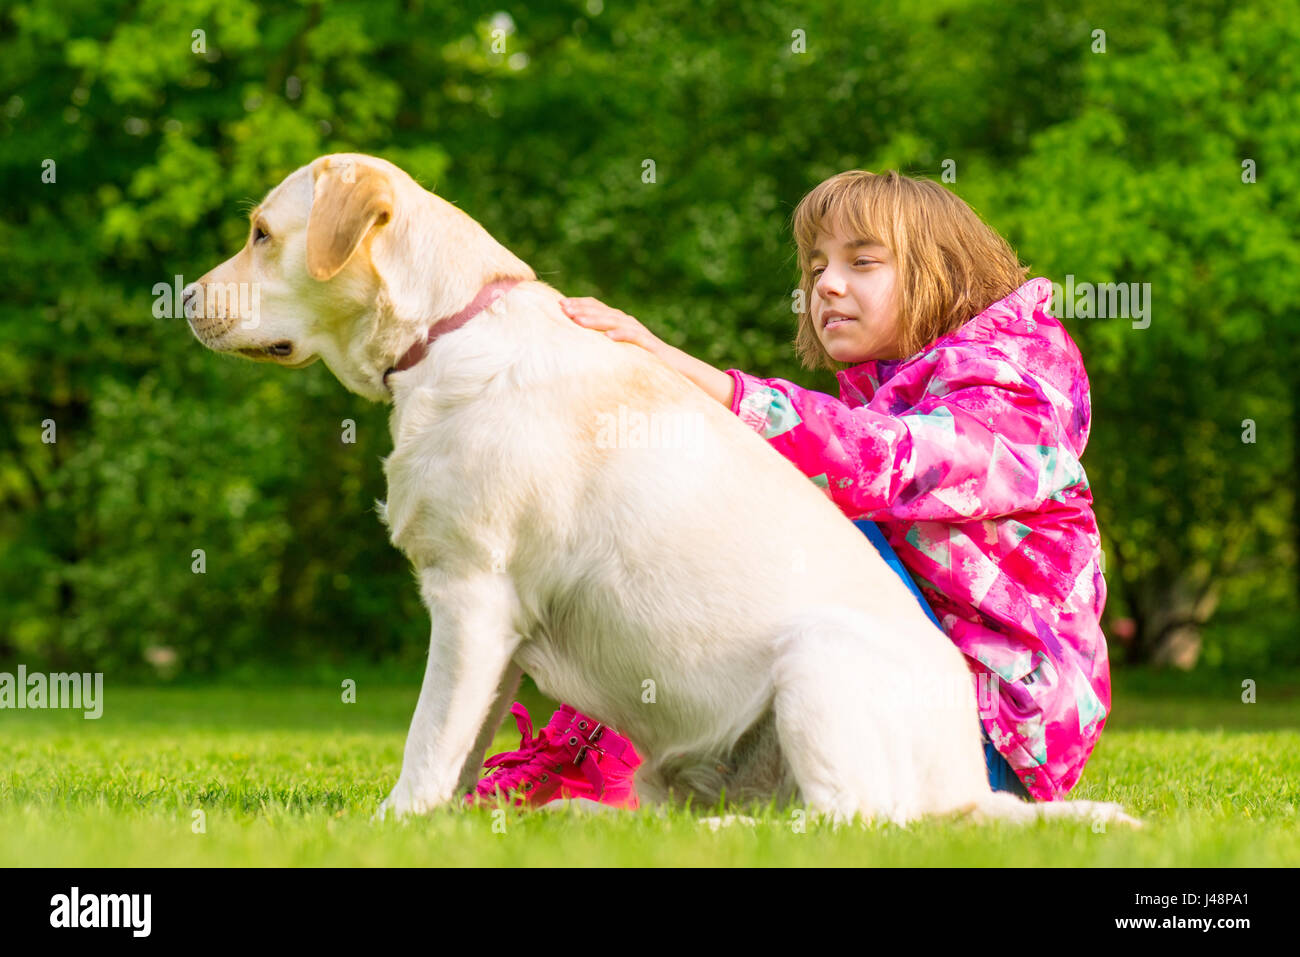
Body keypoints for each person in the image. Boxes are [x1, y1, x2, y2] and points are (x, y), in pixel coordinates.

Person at [467, 169, 1111, 809]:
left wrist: (692, 376)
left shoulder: (1016, 390)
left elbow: (886, 462)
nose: (826, 284)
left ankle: (600, 762)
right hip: (877, 709)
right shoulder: (895, 390)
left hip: (989, 737)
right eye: (816, 264)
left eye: (862, 262)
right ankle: (611, 751)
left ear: (944, 272)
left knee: (777, 522)